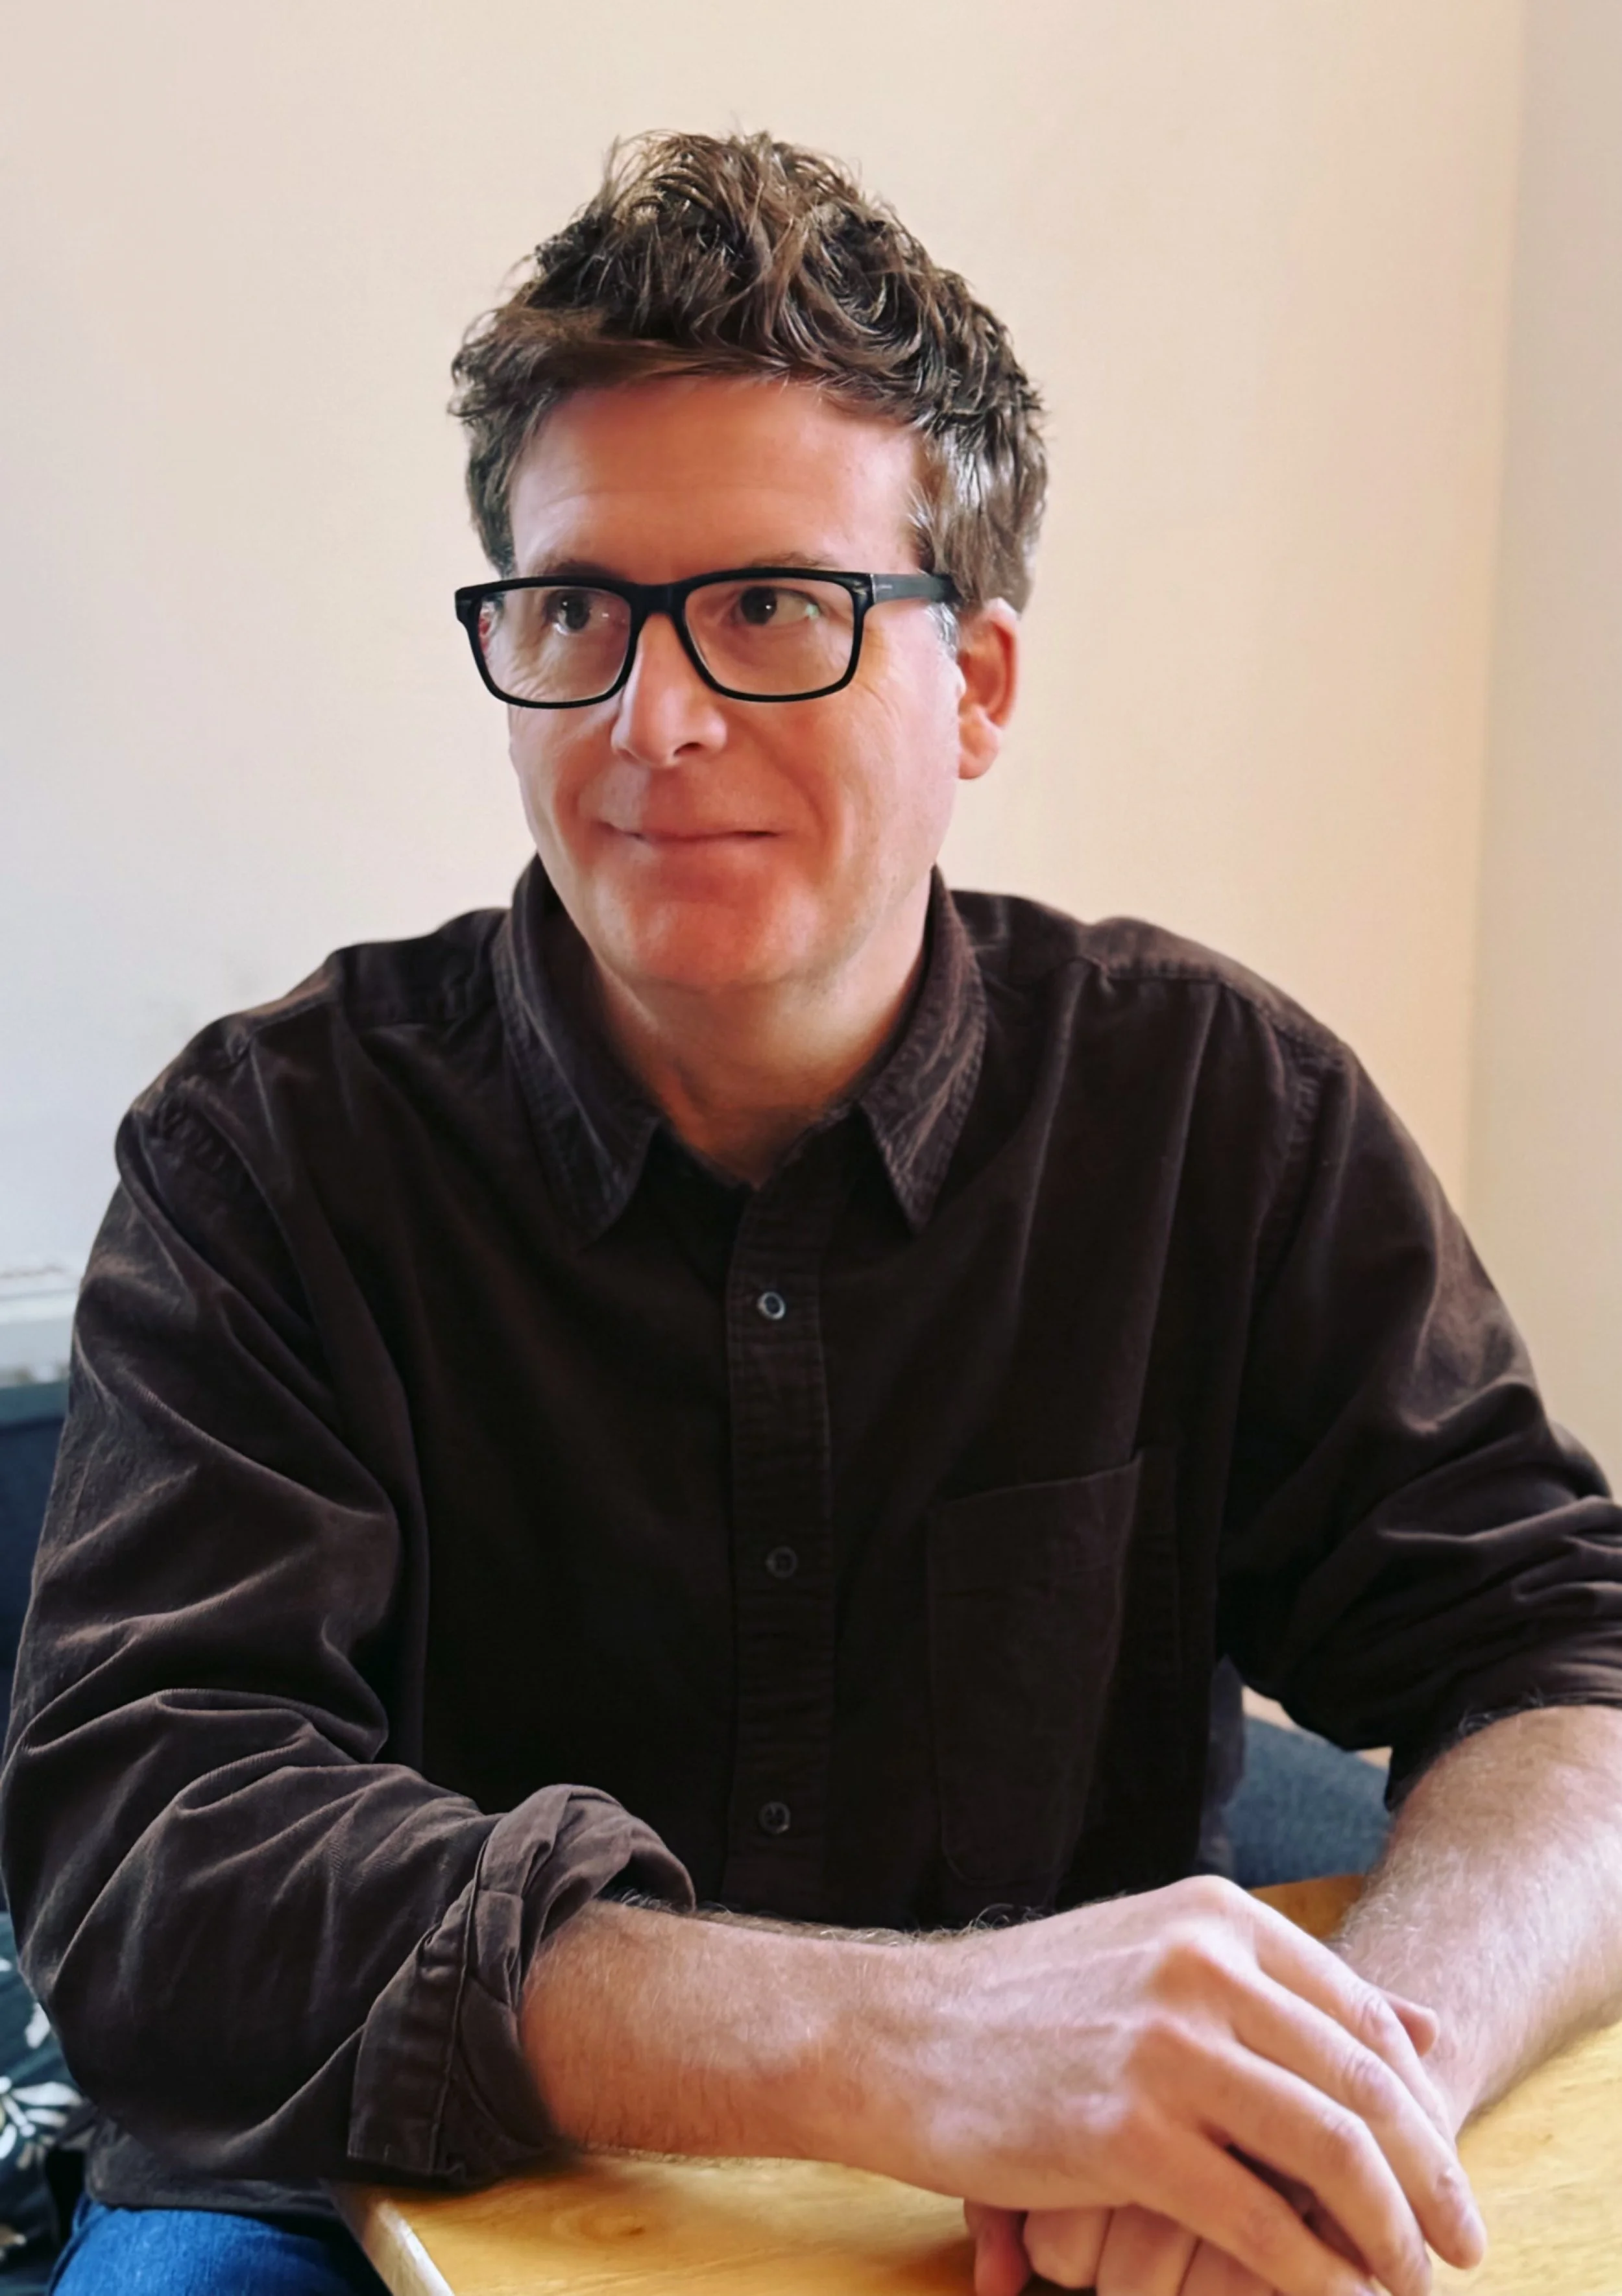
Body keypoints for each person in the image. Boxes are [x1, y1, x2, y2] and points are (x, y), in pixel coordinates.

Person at [4, 130, 1621, 2296]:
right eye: (576, 611)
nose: (653, 720)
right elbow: (148, 1856)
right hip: (360, 2200)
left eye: (771, 605)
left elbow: (1557, 1655)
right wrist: (905, 2038)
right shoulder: (266, 1159)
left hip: (1031, 2218)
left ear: (975, 688)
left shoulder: (1210, 1110)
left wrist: (1359, 2083)